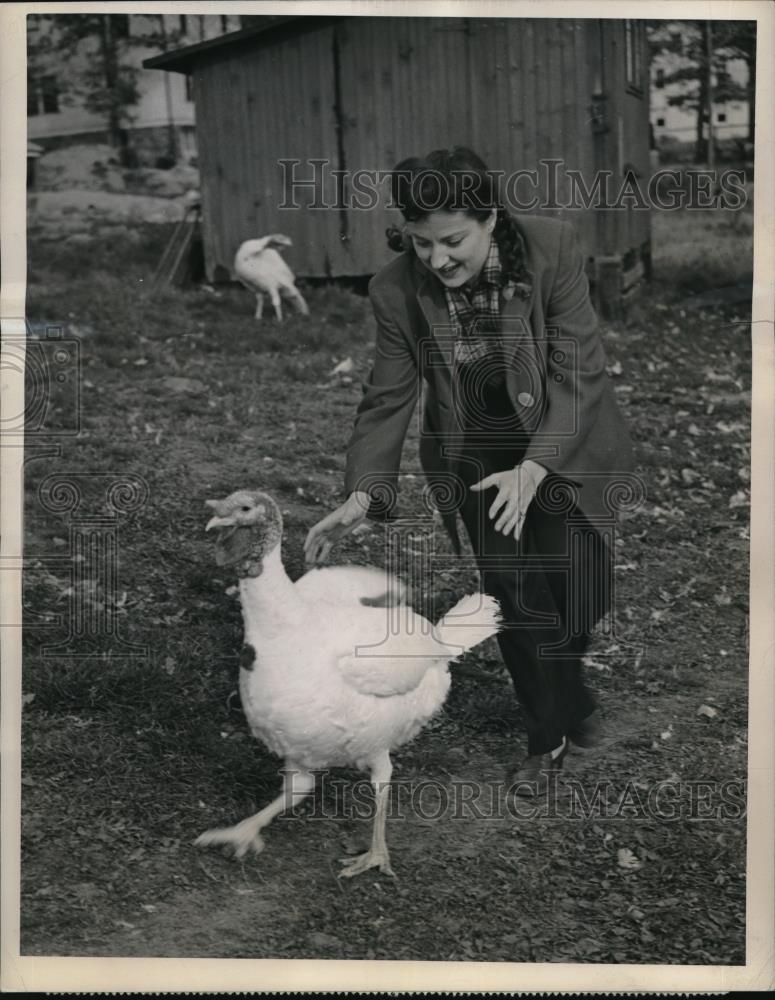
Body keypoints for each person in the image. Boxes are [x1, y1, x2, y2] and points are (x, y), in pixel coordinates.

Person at [304, 146, 635, 794]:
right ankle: (548, 736)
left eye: (451, 241)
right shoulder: (394, 290)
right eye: (421, 244)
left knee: (581, 587)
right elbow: (388, 397)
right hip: (475, 453)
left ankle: (568, 689)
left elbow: (579, 373)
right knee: (515, 597)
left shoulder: (552, 249)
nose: (436, 259)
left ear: (488, 217)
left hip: (560, 439)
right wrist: (364, 492)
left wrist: (536, 467)